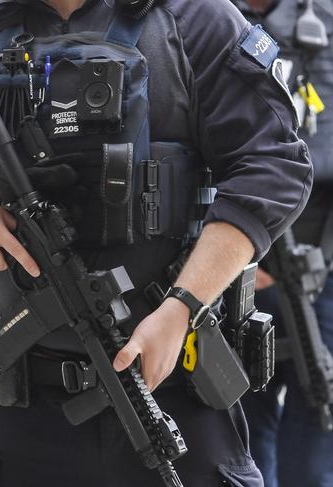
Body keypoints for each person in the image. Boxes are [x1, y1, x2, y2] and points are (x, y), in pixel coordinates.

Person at [0, 0, 313, 485]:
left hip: (173, 386)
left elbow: (272, 170)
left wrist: (182, 305)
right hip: (23, 409)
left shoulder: (196, 24)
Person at [231, 1, 333, 486]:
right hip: (236, 260)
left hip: (322, 264)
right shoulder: (202, 19)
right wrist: (242, 250)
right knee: (243, 419)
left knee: (319, 410)